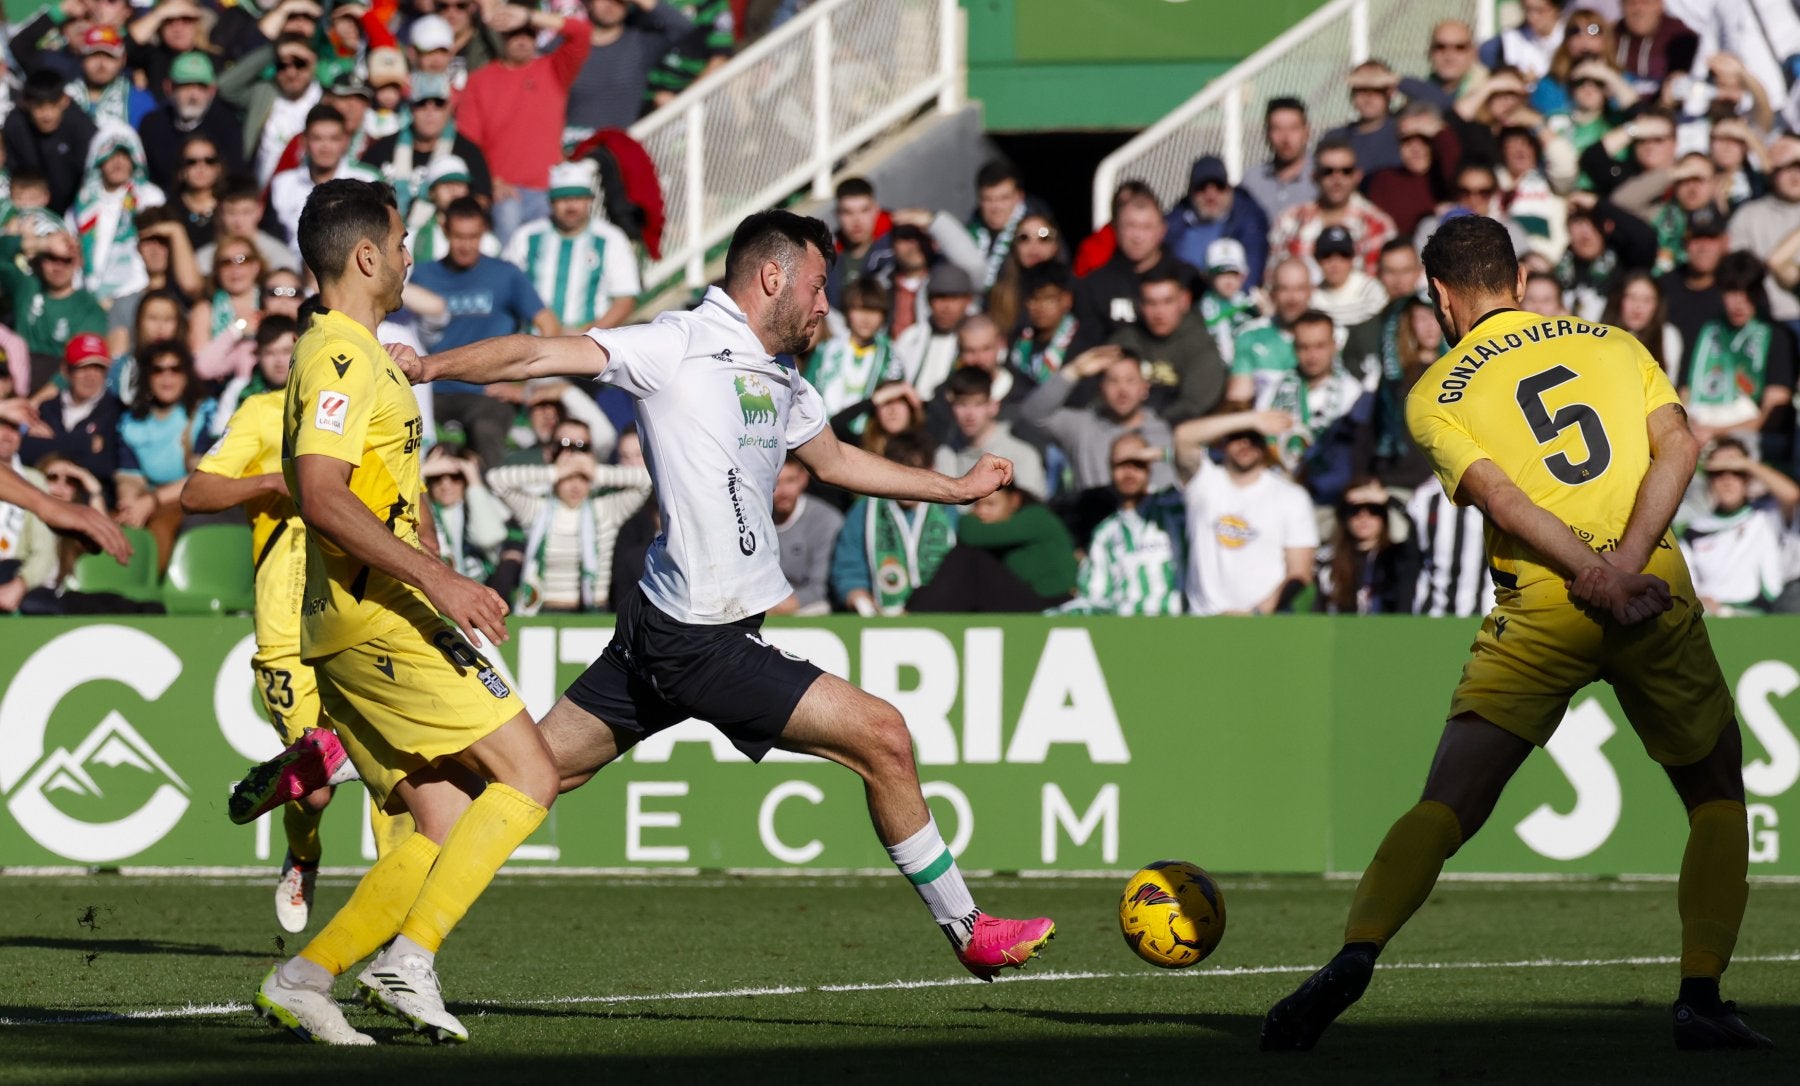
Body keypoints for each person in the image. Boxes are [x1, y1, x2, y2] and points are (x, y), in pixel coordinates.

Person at [401, 208, 1056, 981]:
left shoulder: (781, 374)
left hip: (662, 625)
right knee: (884, 737)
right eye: (817, 286)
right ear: (771, 276)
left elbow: (838, 460)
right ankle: (968, 926)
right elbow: (539, 351)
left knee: (530, 772)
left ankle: (366, 816)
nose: (825, 305)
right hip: (700, 641)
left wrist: (953, 488)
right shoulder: (677, 343)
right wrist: (429, 368)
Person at [1261, 213, 1770, 1052]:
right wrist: (1624, 567)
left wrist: (1589, 579)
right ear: (1522, 281)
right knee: (1715, 793)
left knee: (1448, 802)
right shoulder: (1612, 342)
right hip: (1652, 590)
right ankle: (1701, 994)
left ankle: (1356, 952)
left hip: (1542, 604)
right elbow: (1682, 446)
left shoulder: (1434, 392)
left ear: (1439, 297)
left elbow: (1506, 502)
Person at [252, 178, 560, 1046]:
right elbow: (322, 495)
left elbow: (383, 487)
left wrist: (434, 562)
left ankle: (303, 979)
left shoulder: (352, 350)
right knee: (530, 775)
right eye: (401, 238)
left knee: (443, 818)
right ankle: (408, 958)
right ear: (365, 257)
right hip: (377, 612)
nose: (409, 251)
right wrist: (439, 579)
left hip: (351, 616)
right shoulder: (343, 357)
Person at [182, 329, 411, 933]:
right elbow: (196, 492)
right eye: (279, 346)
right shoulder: (261, 415)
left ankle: (395, 914)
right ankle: (303, 856)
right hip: (288, 634)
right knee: (314, 788)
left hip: (362, 619)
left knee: (396, 775)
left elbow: (405, 494)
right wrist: (272, 482)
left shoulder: (362, 406)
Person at [409, 197, 559, 469]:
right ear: (444, 231)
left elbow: (549, 326)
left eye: (473, 237)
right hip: (433, 388)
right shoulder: (423, 275)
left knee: (486, 430)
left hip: (486, 392)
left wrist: (524, 387)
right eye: (458, 237)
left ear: (484, 232)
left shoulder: (505, 275)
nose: (466, 245)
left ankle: (493, 505)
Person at [457, 3, 591, 242]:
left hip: (548, 190)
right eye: (513, 33)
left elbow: (582, 33)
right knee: (510, 254)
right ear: (502, 36)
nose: (521, 40)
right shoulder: (479, 81)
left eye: (528, 33)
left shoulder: (553, 69)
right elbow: (468, 143)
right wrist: (492, 183)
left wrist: (530, 16)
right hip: (504, 193)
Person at [1169, 406, 1318, 615]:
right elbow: (1183, 436)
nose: (1245, 444)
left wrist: (1254, 613)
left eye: (1254, 437)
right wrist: (1251, 419)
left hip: (1264, 623)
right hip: (1204, 619)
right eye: (1236, 437)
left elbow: (1300, 573)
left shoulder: (1291, 496)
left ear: (1266, 445)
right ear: (1222, 443)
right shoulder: (1204, 483)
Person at [485, 445, 653, 614]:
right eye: (568, 478)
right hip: (542, 611)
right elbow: (496, 480)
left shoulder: (606, 510)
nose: (575, 486)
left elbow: (647, 481)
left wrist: (595, 471)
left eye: (582, 478)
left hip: (594, 611)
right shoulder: (535, 510)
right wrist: (555, 471)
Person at [1681, 252, 1795, 460]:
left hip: (1748, 437)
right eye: (1732, 292)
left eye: (1747, 293)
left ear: (1759, 293)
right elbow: (1684, 392)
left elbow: (1773, 413)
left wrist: (1715, 431)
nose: (1739, 303)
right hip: (1698, 427)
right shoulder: (1706, 331)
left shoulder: (1776, 336)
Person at [504, 160, 641, 333]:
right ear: (551, 202)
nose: (570, 206)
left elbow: (624, 299)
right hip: (533, 342)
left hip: (587, 344)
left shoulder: (611, 239)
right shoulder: (526, 236)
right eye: (563, 199)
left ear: (589, 200)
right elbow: (506, 288)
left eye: (577, 198)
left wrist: (587, 335)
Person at [1020, 345, 1176, 494]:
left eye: (1130, 380)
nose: (1122, 390)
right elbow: (1033, 414)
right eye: (1113, 381)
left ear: (1145, 388)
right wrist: (1074, 371)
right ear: (1101, 388)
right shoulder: (1082, 427)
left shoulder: (1164, 433)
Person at [831, 432, 957, 614]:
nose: (906, 482)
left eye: (915, 472)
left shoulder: (948, 511)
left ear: (931, 469)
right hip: (882, 619)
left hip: (943, 619)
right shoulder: (865, 511)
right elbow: (848, 568)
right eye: (900, 472)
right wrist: (859, 599)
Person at [906, 483, 1076, 613]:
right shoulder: (995, 534)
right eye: (976, 505)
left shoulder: (1035, 517)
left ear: (1014, 500)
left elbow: (969, 532)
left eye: (990, 504)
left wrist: (967, 518)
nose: (981, 512)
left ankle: (918, 617)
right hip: (1028, 601)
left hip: (1052, 605)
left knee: (969, 558)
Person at [1069, 431, 1186, 615]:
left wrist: (1162, 453)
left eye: (1138, 464)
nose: (1129, 472)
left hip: (1180, 623)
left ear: (1150, 467)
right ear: (1110, 469)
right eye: (1121, 465)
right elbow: (1093, 597)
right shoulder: (1105, 533)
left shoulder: (1177, 509)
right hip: (1126, 631)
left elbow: (1213, 464)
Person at [1680, 438, 1794, 615]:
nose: (1727, 479)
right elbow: (1686, 586)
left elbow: (1793, 497)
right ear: (1709, 478)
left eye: (1736, 472)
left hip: (1762, 613)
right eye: (1719, 473)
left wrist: (1747, 464)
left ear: (1748, 476)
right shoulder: (1693, 530)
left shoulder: (1768, 514)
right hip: (1711, 616)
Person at [1268, 137, 1398, 279]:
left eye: (1346, 171)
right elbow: (1273, 279)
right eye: (1328, 171)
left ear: (1357, 176)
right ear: (1314, 177)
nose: (1337, 179)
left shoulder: (1378, 224)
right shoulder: (1289, 221)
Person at [566, 0, 695, 137]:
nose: (611, 5)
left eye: (620, 1)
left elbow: (683, 28)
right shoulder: (565, 46)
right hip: (568, 145)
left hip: (616, 148)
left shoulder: (641, 44)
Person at [933, 366, 1046, 500]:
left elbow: (1032, 512)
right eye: (962, 404)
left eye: (978, 404)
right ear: (952, 407)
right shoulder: (944, 454)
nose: (970, 414)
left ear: (993, 406)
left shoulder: (1022, 455)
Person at [1314, 478, 1421, 614]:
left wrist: (1389, 499)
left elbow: (1421, 530)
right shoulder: (1324, 561)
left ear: (1384, 515)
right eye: (1354, 509)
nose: (1363, 516)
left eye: (1374, 509)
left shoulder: (1399, 557)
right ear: (1344, 514)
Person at [1164, 154, 1271, 288]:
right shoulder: (1172, 224)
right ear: (1190, 191)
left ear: (1229, 189)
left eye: (1219, 186)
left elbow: (1251, 276)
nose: (1211, 195)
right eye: (1202, 187)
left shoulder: (1249, 223)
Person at [3, 69, 97, 216]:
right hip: (26, 208)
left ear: (65, 101)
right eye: (39, 106)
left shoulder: (82, 128)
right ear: (26, 104)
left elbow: (91, 179)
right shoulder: (14, 126)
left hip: (76, 211)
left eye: (53, 105)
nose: (47, 115)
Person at [770, 454, 843, 616]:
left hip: (808, 607)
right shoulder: (754, 517)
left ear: (803, 479)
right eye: (776, 483)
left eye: (790, 481)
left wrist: (778, 607)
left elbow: (820, 589)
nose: (783, 491)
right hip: (763, 604)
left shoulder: (826, 520)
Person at [1240, 97, 1317, 224]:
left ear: (1307, 132)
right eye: (1277, 129)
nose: (1285, 138)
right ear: (1267, 134)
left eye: (1293, 128)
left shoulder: (1323, 178)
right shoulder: (1251, 181)